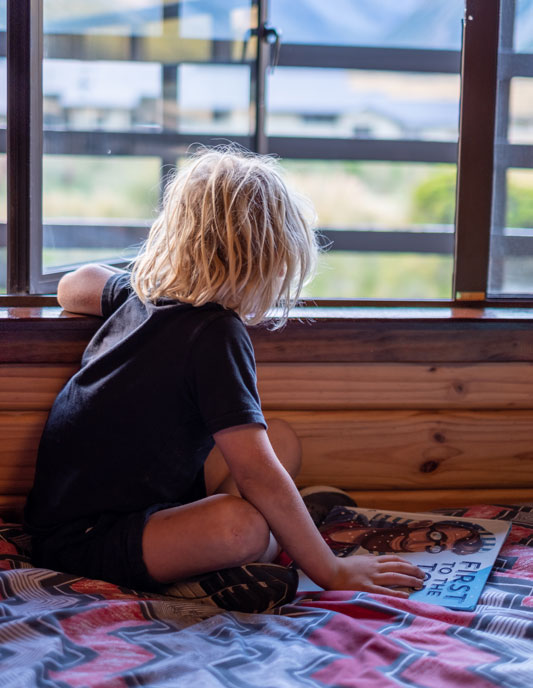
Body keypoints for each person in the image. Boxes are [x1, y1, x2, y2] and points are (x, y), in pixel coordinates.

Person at [24, 147, 425, 613]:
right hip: (89, 538)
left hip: (133, 502)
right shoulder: (217, 333)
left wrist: (133, 283)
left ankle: (273, 532)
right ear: (269, 258)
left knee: (282, 441)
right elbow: (255, 473)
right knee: (244, 527)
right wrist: (331, 571)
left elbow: (74, 284)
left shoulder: (145, 295)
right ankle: (240, 558)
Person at [319, 508, 484, 558]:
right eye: (435, 536)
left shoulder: (339, 556)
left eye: (434, 548)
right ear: (421, 524)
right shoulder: (346, 515)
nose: (416, 545)